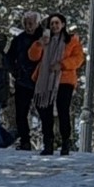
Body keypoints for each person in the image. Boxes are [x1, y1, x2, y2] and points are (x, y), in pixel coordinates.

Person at [27, 13, 85, 156]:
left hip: (64, 79)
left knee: (63, 110)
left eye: (57, 23)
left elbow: (78, 59)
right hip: (45, 79)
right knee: (44, 110)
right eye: (52, 23)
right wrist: (39, 44)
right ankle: (48, 143)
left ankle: (65, 142)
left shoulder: (72, 41)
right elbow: (33, 56)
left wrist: (62, 64)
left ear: (63, 24)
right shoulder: (45, 39)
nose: (54, 26)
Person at [5, 11, 42, 150]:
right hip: (22, 81)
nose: (28, 26)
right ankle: (25, 140)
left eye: (31, 23)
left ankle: (49, 141)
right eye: (26, 23)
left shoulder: (44, 38)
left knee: (44, 112)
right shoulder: (19, 40)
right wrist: (15, 72)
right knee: (21, 113)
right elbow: (9, 58)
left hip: (40, 82)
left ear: (37, 23)